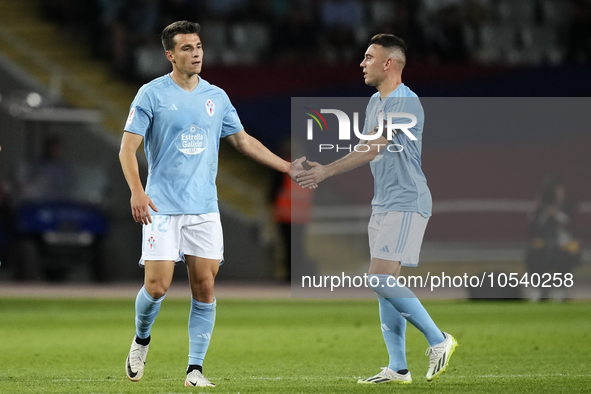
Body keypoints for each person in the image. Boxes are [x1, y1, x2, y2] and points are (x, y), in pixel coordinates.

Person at [119, 20, 306, 387]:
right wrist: (137, 191)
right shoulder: (151, 94)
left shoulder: (217, 97)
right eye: (187, 48)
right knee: (157, 287)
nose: (196, 53)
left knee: (204, 287)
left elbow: (243, 141)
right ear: (170, 55)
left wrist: (286, 166)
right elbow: (128, 147)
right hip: (161, 206)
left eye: (199, 46)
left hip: (204, 208)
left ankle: (194, 370)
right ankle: (141, 339)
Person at [296, 34, 458, 384]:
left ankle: (438, 338)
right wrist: (325, 166)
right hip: (384, 203)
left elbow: (374, 148)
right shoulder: (376, 101)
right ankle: (398, 368)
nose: (361, 62)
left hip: (406, 200)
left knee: (380, 279)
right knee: (384, 284)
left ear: (388, 63)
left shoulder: (407, 103)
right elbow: (365, 146)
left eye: (369, 57)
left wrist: (326, 171)